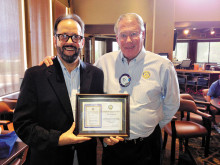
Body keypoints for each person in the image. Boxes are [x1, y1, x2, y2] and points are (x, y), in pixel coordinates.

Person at [41, 13, 180, 165]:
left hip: (147, 145)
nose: (128, 40)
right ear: (117, 38)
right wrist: (55, 62)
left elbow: (172, 103)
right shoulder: (103, 62)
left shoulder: (163, 66)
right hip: (113, 146)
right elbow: (83, 79)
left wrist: (151, 125)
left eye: (134, 34)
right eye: (123, 35)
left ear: (143, 34)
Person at [13, 14, 104, 165]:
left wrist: (107, 134)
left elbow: (98, 116)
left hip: (85, 157)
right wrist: (58, 139)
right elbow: (22, 124)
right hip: (48, 158)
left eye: (75, 36)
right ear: (55, 39)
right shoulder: (35, 76)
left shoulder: (96, 74)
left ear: (82, 41)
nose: (69, 42)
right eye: (63, 36)